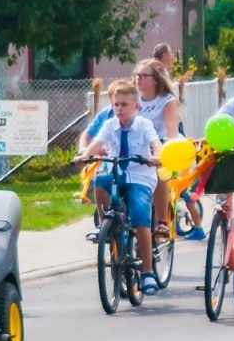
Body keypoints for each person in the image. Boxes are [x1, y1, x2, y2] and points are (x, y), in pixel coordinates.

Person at [78, 79, 162, 294]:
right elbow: (96, 143)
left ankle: (148, 272)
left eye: (124, 105)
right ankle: (105, 222)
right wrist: (85, 155)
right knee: (99, 180)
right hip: (116, 173)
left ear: (136, 107)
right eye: (116, 104)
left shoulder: (144, 125)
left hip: (139, 176)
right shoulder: (109, 125)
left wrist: (157, 156)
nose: (119, 109)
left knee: (141, 217)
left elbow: (155, 143)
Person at [133, 57, 199, 240]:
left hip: (162, 144)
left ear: (155, 79)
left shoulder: (167, 100)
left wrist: (163, 150)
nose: (138, 79)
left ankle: (162, 220)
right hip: (137, 144)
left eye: (143, 75)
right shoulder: (133, 98)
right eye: (137, 75)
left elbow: (171, 130)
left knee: (159, 171)